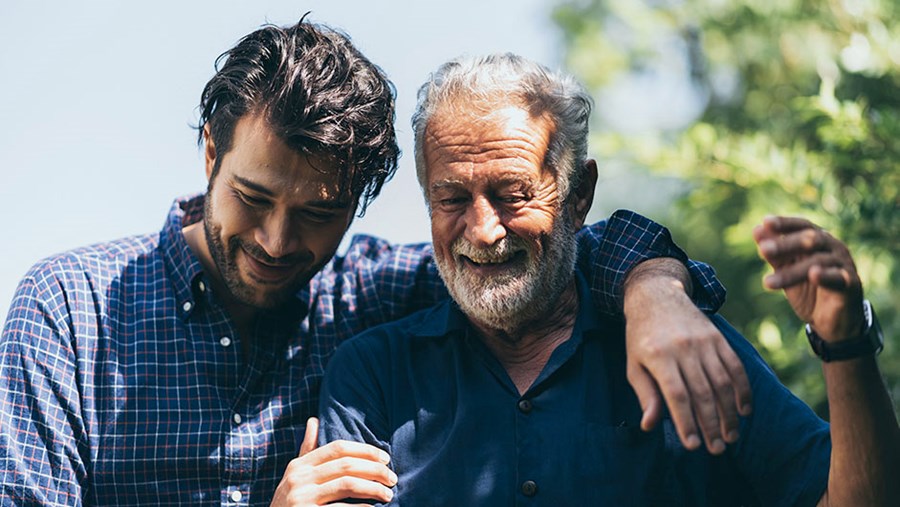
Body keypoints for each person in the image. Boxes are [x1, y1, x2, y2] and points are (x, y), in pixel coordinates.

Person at [0, 20, 746, 507]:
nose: (276, 241)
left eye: (317, 213)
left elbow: (547, 246)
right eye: (253, 197)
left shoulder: (369, 296)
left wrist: (656, 288)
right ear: (209, 153)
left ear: (357, 204)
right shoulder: (70, 312)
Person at [315, 53, 900, 505]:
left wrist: (844, 343)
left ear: (579, 196)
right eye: (450, 198)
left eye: (513, 195)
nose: (484, 230)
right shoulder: (374, 375)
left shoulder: (682, 342)